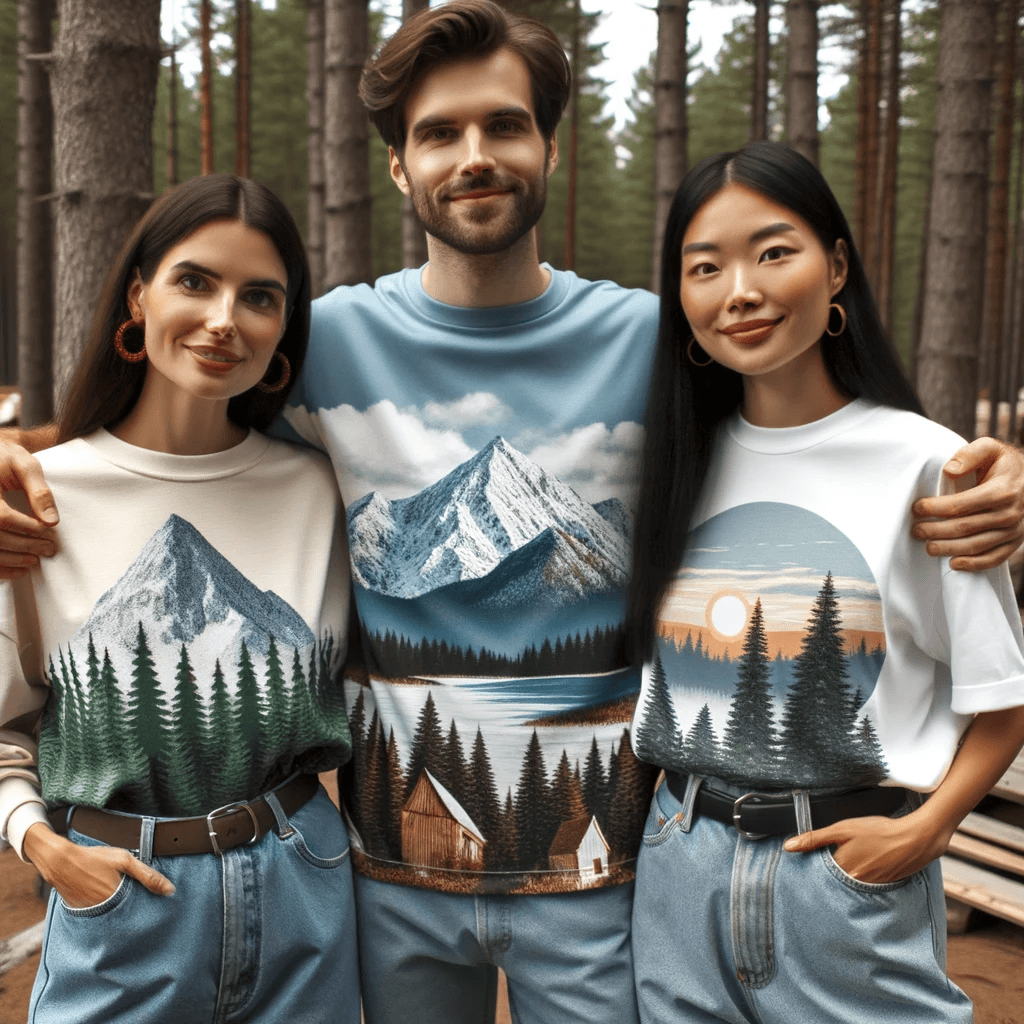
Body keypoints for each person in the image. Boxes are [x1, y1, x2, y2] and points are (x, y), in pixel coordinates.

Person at [0, 5, 1021, 1023]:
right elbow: (173, 427)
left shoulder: (656, 337)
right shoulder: (320, 337)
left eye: (502, 125)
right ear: (399, 167)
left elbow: (805, 434)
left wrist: (991, 472)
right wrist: (22, 453)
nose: (473, 156)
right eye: (439, 132)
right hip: (381, 879)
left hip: (609, 880)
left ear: (548, 146)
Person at [626, 141, 1024, 1024]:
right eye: (705, 267)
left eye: (774, 252)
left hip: (843, 879)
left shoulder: (927, 463)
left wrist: (926, 830)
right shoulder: (673, 462)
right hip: (677, 865)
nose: (741, 290)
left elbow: (1002, 702)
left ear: (836, 265)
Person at [0, 174, 359, 1024]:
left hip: (302, 890)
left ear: (284, 331)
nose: (225, 318)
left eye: (259, 296)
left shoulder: (323, 489)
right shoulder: (37, 496)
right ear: (139, 294)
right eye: (195, 281)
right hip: (120, 900)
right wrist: (41, 844)